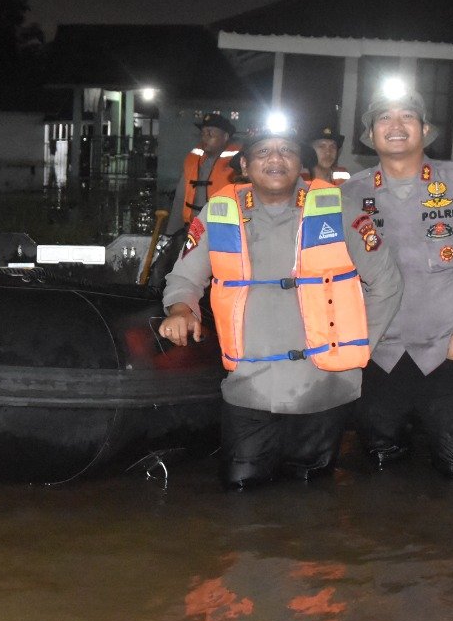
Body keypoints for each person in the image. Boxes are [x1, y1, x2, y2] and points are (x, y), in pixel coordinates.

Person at [161, 126, 401, 489]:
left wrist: (359, 347)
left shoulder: (338, 209)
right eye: (263, 152)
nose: (275, 159)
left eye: (287, 151)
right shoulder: (220, 212)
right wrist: (181, 309)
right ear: (244, 163)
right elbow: (185, 278)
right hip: (248, 387)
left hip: (324, 386)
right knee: (240, 493)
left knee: (310, 499)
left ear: (302, 163)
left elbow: (387, 282)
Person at [343, 88, 453, 477]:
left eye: (407, 116)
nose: (395, 126)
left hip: (447, 355)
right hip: (376, 356)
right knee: (379, 468)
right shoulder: (348, 195)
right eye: (384, 118)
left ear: (425, 129)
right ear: (370, 134)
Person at [169, 114, 240, 232]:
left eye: (210, 134)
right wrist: (171, 232)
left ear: (225, 136)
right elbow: (180, 199)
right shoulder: (193, 162)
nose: (205, 138)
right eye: (203, 134)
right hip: (193, 231)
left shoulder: (239, 165)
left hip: (225, 234)